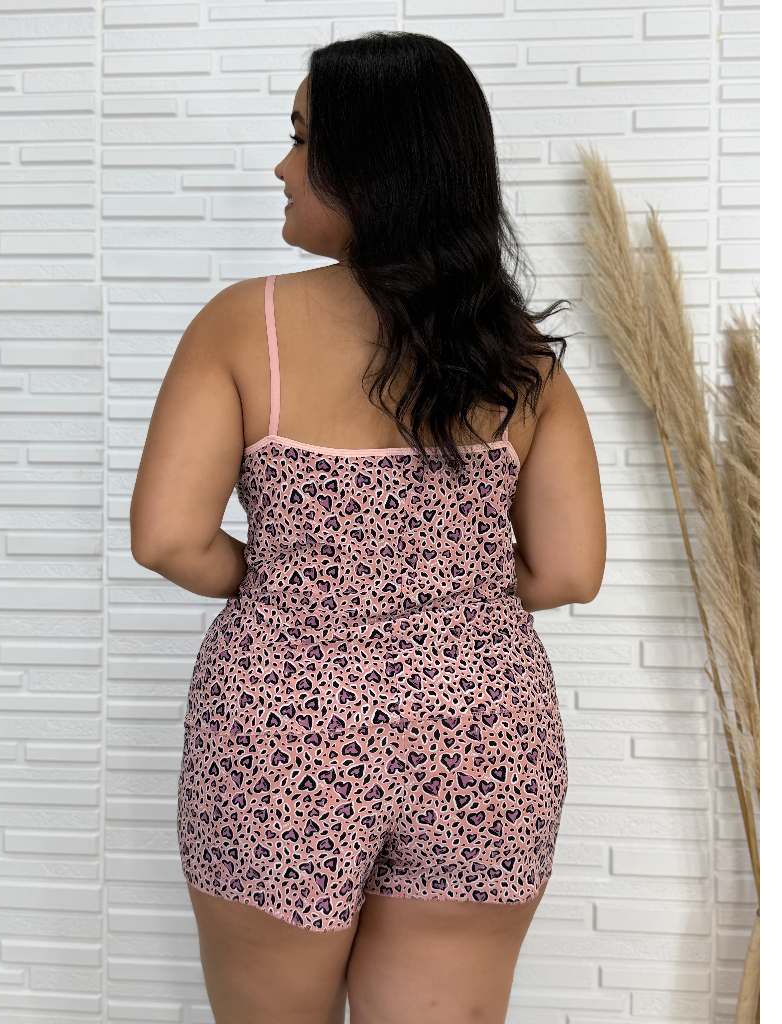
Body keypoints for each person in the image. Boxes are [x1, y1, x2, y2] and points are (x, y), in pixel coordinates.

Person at [130, 31, 605, 1024]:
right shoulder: (521, 359)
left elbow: (169, 537)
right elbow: (568, 570)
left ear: (372, 167)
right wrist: (449, 594)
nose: (282, 166)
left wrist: (291, 578)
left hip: (281, 726)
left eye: (302, 138)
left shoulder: (244, 325)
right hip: (482, 731)